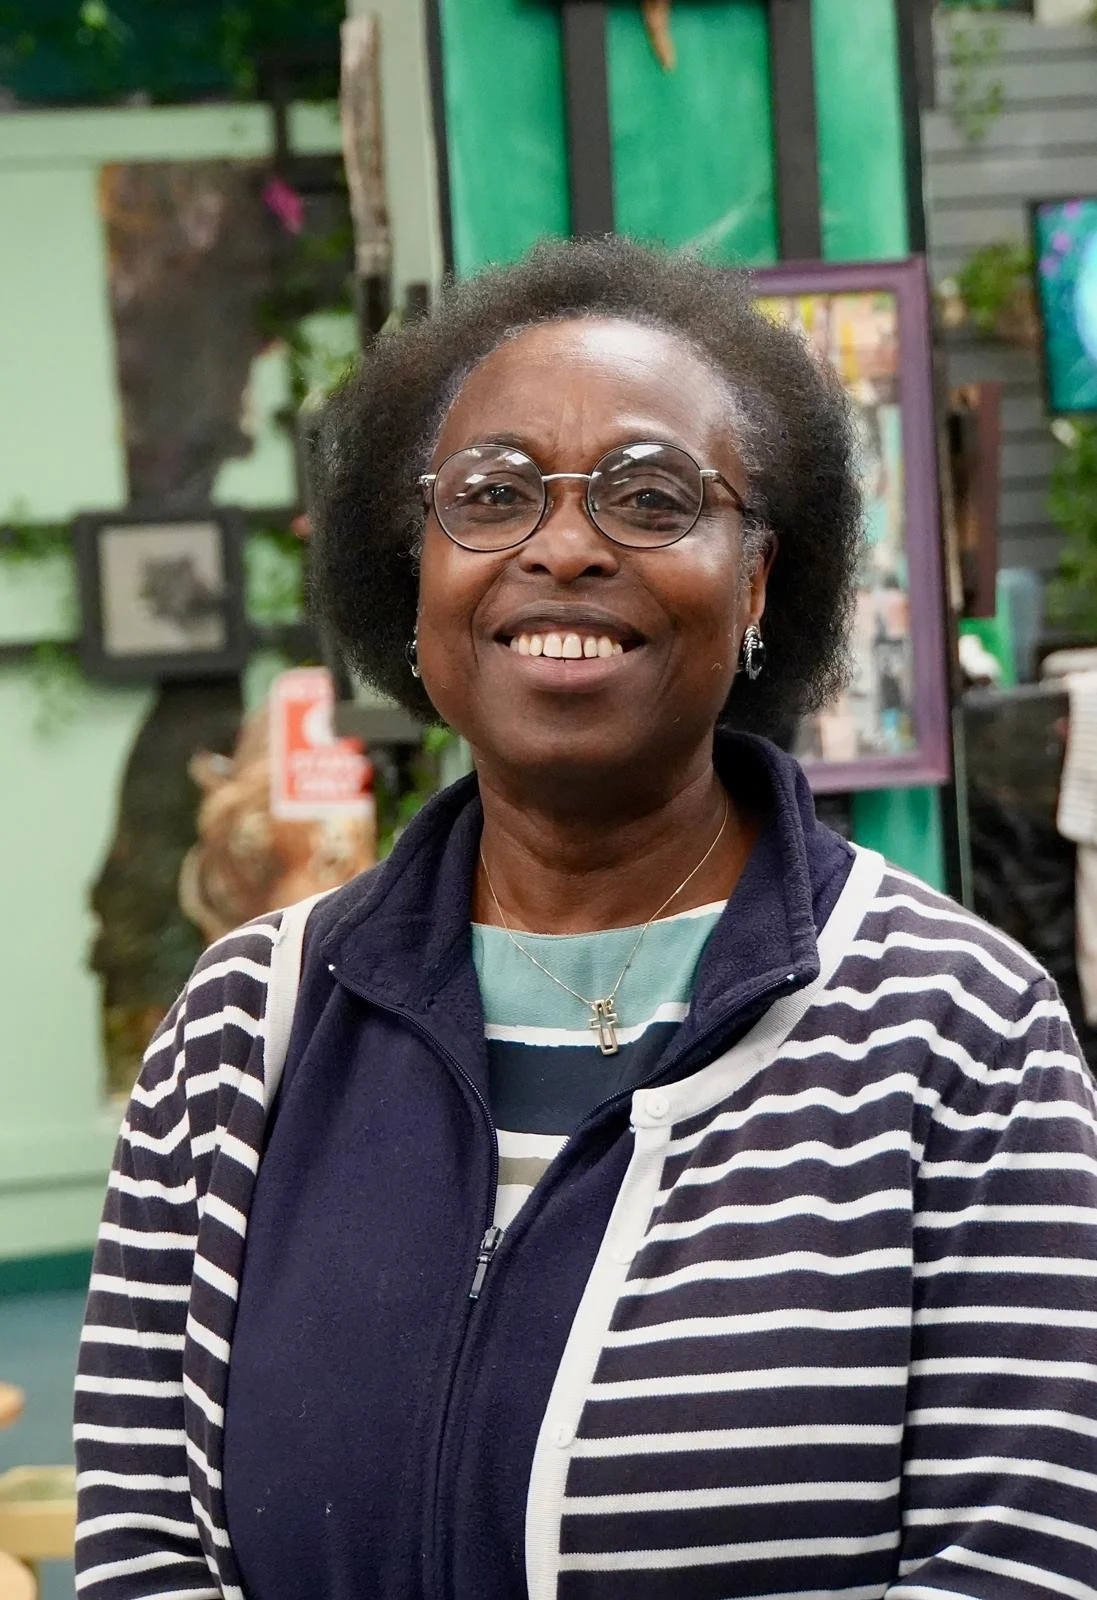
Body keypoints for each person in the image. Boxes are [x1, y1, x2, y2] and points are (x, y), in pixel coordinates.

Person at [75, 237, 1097, 1600]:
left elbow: (1026, 1557)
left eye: (651, 496)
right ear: (418, 581)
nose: (561, 545)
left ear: (756, 585)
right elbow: (145, 1542)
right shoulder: (239, 1029)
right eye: (490, 496)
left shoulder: (963, 1033)